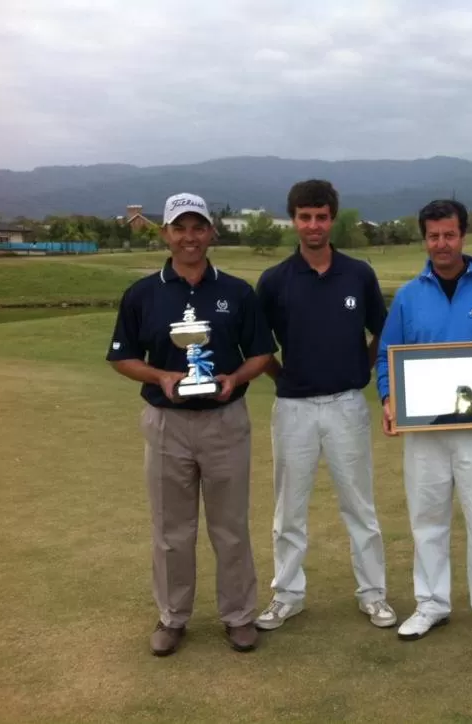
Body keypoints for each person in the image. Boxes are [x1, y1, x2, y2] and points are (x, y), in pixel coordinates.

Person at [106, 192, 275, 656]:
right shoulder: (143, 293)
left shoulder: (237, 292)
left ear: (211, 233)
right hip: (167, 425)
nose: (189, 237)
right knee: (170, 529)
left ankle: (239, 616)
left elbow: (261, 352)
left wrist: (235, 377)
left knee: (231, 527)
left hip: (225, 421)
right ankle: (173, 617)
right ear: (165, 234)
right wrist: (161, 375)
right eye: (179, 228)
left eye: (197, 227)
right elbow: (122, 357)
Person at [376, 199, 472, 645]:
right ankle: (431, 603)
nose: (441, 243)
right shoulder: (408, 295)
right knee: (427, 519)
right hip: (424, 430)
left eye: (449, 234)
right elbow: (388, 359)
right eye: (433, 235)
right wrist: (389, 399)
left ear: (463, 236)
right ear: (424, 238)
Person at [253, 179, 397, 632]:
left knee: (360, 507)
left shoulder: (358, 274)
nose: (313, 225)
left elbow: (383, 331)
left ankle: (373, 594)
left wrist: (362, 368)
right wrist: (284, 377)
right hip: (293, 409)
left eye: (321, 216)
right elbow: (258, 347)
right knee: (288, 510)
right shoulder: (274, 281)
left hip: (347, 404)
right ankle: (287, 594)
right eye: (304, 216)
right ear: (294, 220)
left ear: (332, 219)